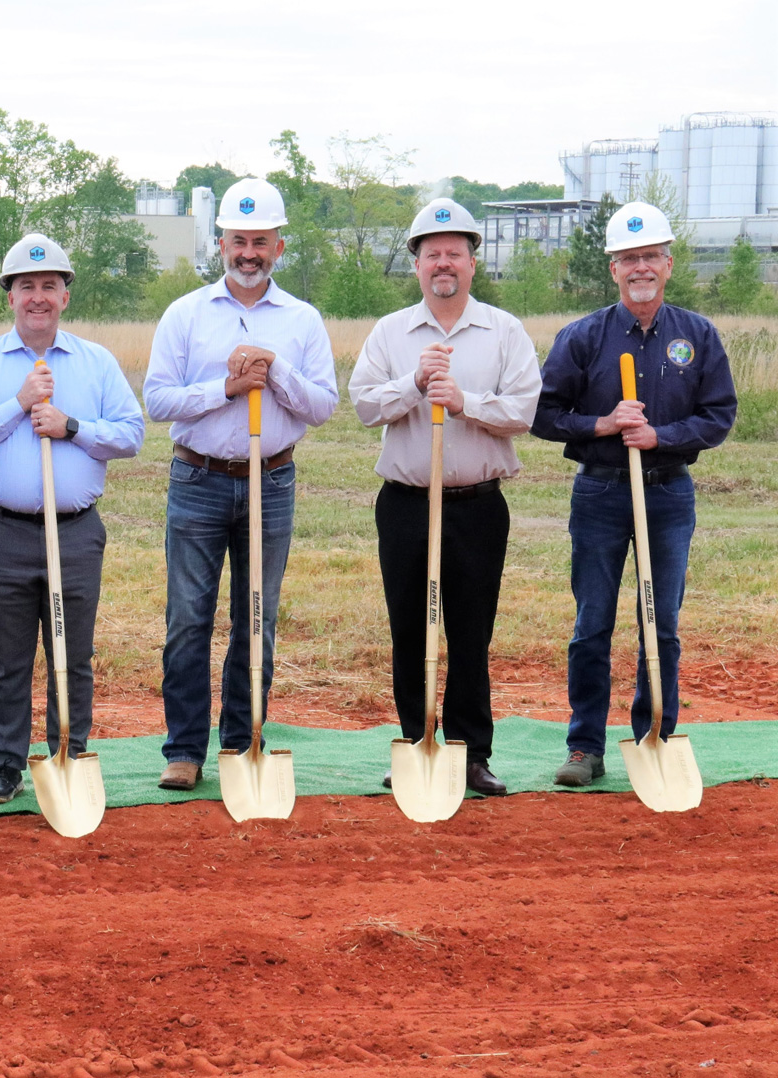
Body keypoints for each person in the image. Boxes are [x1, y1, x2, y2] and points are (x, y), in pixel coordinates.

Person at [141, 178, 339, 791]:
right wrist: (225, 389)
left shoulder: (301, 321)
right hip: (198, 478)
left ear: (280, 246)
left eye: (260, 241)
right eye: (236, 240)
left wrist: (274, 371)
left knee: (258, 617)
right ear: (220, 243)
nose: (248, 252)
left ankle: (241, 740)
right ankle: (184, 749)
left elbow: (324, 406)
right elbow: (156, 399)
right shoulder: (186, 314)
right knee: (188, 619)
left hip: (271, 479)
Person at [531, 201, 737, 787]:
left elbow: (719, 415)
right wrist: (603, 424)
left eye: (650, 257)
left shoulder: (696, 335)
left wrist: (659, 436)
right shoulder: (583, 337)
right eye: (629, 259)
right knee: (592, 622)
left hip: (669, 495)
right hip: (600, 494)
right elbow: (543, 414)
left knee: (661, 622)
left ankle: (656, 734)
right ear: (614, 268)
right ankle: (584, 748)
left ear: (668, 265)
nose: (640, 267)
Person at [0, 235, 145, 803]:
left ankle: (69, 756)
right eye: (26, 286)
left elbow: (131, 435)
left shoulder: (97, 363)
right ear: (10, 297)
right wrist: (18, 404)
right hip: (1, 531)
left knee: (71, 655)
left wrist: (72, 426)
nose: (38, 297)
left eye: (49, 286)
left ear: (65, 295)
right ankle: (6, 764)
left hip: (75, 533)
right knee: (8, 659)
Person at [348, 199, 540, 796]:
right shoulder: (391, 332)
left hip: (478, 506)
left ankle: (470, 753)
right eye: (432, 254)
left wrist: (464, 403)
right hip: (407, 502)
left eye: (454, 252)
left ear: (473, 262)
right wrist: (412, 384)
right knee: (410, 627)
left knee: (470, 631)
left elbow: (525, 411)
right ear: (417, 265)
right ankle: (413, 743)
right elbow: (361, 404)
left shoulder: (504, 332)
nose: (443, 263)